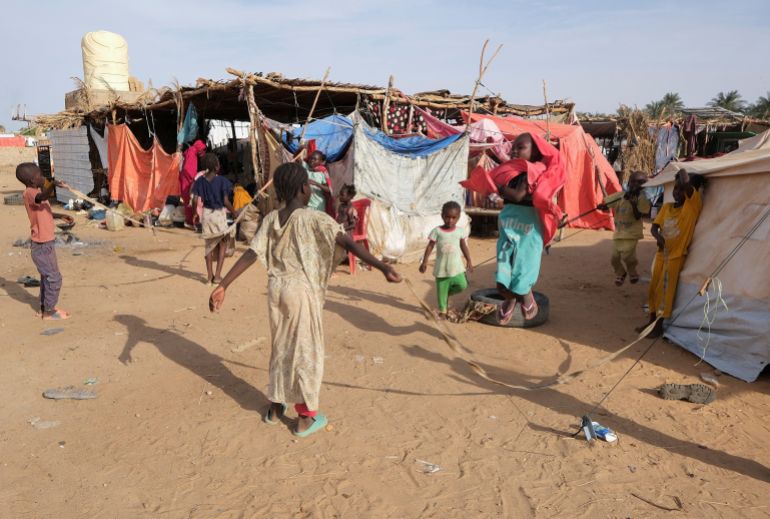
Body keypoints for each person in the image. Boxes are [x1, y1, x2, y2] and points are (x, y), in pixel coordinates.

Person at [208, 162, 401, 437]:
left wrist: (223, 284)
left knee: (281, 347)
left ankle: (275, 407)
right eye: (309, 185)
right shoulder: (315, 218)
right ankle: (306, 418)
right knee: (306, 352)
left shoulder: (272, 219)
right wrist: (383, 267)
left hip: (276, 291)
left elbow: (252, 253)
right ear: (303, 188)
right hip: (301, 292)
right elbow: (347, 243)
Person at [640, 168, 704, 337]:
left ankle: (659, 325)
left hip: (675, 256)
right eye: (675, 189)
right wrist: (658, 237)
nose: (676, 192)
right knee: (653, 288)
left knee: (665, 291)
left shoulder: (692, 206)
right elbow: (654, 227)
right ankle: (651, 320)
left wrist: (681, 171)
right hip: (662, 254)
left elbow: (684, 180)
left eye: (680, 189)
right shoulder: (667, 207)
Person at [15, 163, 73, 320]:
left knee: (46, 278)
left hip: (46, 243)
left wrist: (60, 216)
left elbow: (44, 209)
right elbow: (43, 197)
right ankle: (49, 311)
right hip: (42, 245)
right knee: (54, 278)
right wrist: (53, 184)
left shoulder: (37, 190)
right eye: (39, 175)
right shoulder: (30, 193)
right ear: (33, 181)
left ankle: (44, 307)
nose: (43, 177)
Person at [493, 160, 546, 324]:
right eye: (514, 147)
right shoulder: (509, 174)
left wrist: (500, 189)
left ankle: (525, 294)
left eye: (521, 147)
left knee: (522, 268)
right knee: (503, 274)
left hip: (527, 230)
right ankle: (510, 298)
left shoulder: (535, 174)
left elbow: (517, 195)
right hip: (508, 225)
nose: (514, 150)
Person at [419, 201, 473, 319]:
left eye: (454, 218)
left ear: (458, 217)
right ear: (442, 216)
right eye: (447, 217)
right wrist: (424, 261)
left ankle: (446, 294)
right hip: (442, 267)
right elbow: (430, 246)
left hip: (456, 267)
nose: (450, 220)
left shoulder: (459, 231)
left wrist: (469, 260)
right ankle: (443, 311)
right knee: (441, 288)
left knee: (462, 285)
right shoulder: (437, 231)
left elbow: (463, 246)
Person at [598, 171, 651, 286]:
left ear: (644, 185)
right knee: (614, 258)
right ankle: (621, 273)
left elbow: (638, 216)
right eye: (632, 181)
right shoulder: (621, 196)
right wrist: (603, 206)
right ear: (629, 182)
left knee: (628, 256)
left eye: (639, 183)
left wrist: (633, 205)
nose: (634, 185)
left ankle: (632, 272)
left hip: (632, 234)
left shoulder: (642, 199)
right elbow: (608, 204)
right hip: (619, 233)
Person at [191, 153, 235, 284]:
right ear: (217, 167)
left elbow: (194, 199)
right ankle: (217, 275)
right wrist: (234, 212)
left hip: (206, 215)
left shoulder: (200, 181)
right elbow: (226, 201)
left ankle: (209, 277)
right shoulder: (222, 181)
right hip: (218, 215)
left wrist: (194, 213)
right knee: (222, 244)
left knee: (209, 245)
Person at [181, 139, 206, 228]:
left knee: (189, 201)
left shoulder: (191, 151)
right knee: (190, 201)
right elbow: (188, 170)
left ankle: (190, 221)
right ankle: (191, 222)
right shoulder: (192, 153)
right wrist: (194, 180)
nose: (203, 152)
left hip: (186, 180)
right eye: (202, 149)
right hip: (188, 181)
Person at [306, 150, 333, 215]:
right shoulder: (306, 168)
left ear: (320, 162)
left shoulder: (322, 172)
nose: (312, 160)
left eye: (315, 159)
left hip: (318, 205)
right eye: (311, 158)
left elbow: (329, 189)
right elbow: (297, 157)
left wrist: (316, 184)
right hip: (306, 205)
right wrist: (300, 148)